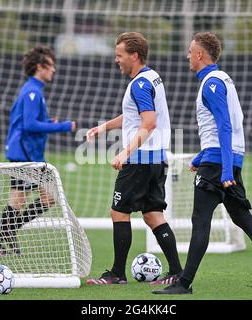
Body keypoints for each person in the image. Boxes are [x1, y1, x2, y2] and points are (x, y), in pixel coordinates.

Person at [153, 32, 252, 295]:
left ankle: (184, 283)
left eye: (189, 51)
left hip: (220, 164)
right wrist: (201, 157)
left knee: (200, 221)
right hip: (224, 159)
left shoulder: (212, 83)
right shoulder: (220, 79)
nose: (187, 56)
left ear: (199, 54)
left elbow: (225, 126)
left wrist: (224, 169)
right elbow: (218, 132)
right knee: (242, 217)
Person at [86, 32, 182, 285]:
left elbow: (148, 123)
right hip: (156, 159)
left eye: (120, 55)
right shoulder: (151, 78)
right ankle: (176, 273)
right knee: (152, 215)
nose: (116, 60)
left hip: (139, 161)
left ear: (134, 55)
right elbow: (133, 117)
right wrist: (103, 127)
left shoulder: (139, 84)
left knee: (119, 212)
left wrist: (125, 152)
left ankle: (117, 274)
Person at [0, 45, 76, 256]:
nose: (53, 70)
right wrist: (62, 125)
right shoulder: (32, 92)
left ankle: (1, 240)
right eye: (51, 66)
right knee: (45, 198)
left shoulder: (33, 90)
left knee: (21, 201)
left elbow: (30, 122)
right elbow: (29, 125)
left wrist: (47, 121)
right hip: (25, 155)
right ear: (40, 67)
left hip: (27, 153)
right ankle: (3, 238)